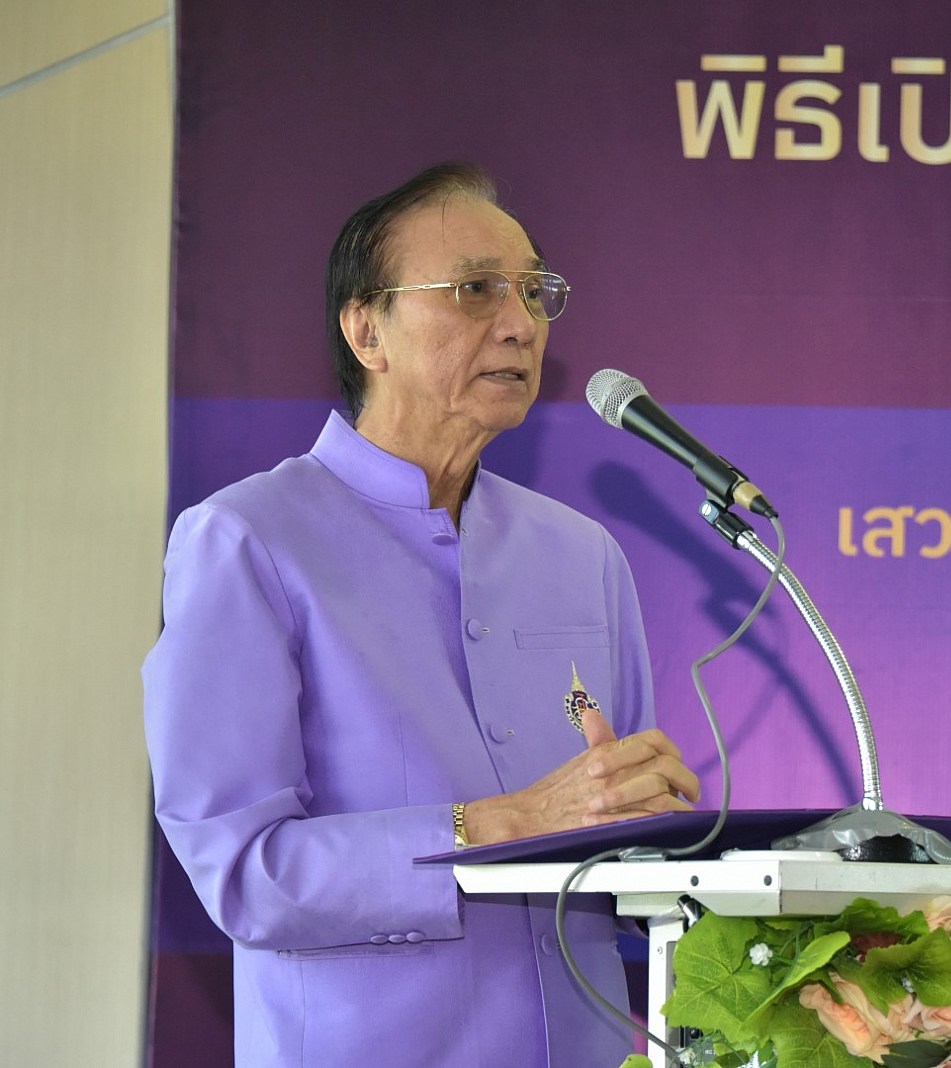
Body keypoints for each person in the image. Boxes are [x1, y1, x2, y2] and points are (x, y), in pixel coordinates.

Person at [142, 161, 700, 1067]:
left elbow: (626, 837)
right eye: (476, 290)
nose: (521, 323)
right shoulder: (247, 541)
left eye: (534, 292)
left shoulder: (582, 553)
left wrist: (672, 836)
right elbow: (244, 873)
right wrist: (499, 824)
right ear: (368, 330)